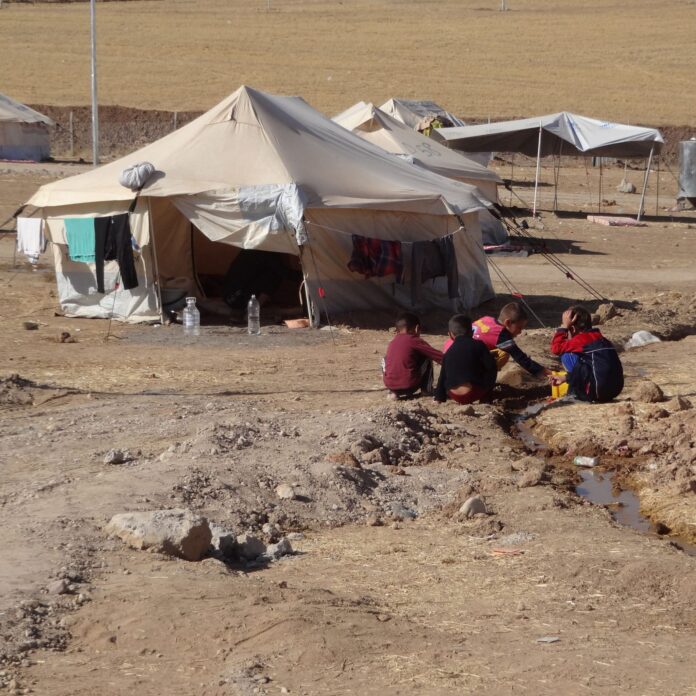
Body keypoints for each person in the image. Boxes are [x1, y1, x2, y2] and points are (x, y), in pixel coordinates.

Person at [550, 305, 624, 402]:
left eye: (567, 328)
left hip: (598, 392)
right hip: (614, 390)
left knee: (566, 355)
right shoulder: (601, 338)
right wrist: (565, 378)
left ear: (573, 328)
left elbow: (556, 348)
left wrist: (563, 328)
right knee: (584, 360)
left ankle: (573, 393)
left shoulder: (582, 339)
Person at [465, 301, 551, 379]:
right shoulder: (500, 335)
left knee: (497, 351)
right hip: (466, 364)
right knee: (503, 354)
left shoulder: (487, 319)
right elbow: (520, 357)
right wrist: (540, 371)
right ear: (508, 322)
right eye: (519, 327)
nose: (520, 331)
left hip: (460, 353)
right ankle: (481, 381)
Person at [434, 314, 497, 405]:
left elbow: (442, 376)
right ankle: (486, 399)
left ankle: (440, 399)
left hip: (454, 394)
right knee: (491, 365)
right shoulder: (479, 345)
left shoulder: (448, 352)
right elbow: (491, 367)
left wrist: (439, 397)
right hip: (474, 392)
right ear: (472, 332)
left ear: (450, 335)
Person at [383, 312, 442, 400]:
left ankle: (393, 393)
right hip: (410, 386)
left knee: (385, 359)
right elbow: (439, 357)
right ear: (417, 328)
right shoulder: (414, 340)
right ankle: (426, 390)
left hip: (391, 386)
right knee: (427, 357)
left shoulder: (393, 342)